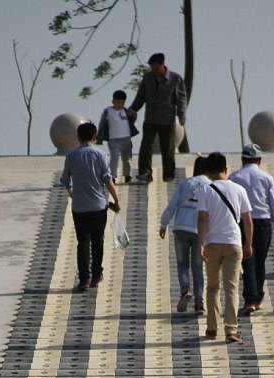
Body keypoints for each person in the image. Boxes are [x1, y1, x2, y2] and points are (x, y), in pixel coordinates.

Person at [197, 152, 253, 343]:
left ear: (208, 171)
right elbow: (247, 219)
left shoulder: (205, 190)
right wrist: (248, 243)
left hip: (212, 243)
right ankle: (231, 330)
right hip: (233, 243)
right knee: (231, 288)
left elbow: (202, 219)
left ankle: (212, 328)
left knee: (212, 286)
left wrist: (201, 244)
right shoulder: (239, 189)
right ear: (225, 168)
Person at [60, 121, 120, 291]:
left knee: (83, 243)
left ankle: (84, 279)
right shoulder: (101, 154)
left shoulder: (71, 156)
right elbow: (107, 179)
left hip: (79, 207)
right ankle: (96, 275)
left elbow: (65, 180)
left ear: (78, 137)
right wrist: (117, 200)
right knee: (97, 241)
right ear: (94, 137)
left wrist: (72, 193)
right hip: (98, 206)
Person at [229, 143, 274, 314]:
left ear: (243, 159)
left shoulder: (234, 177)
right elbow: (273, 202)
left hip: (243, 222)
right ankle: (258, 297)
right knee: (260, 261)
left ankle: (251, 299)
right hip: (263, 222)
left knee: (247, 260)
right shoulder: (266, 177)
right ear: (259, 160)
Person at [127, 52, 187, 183]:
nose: (154, 71)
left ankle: (169, 175)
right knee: (146, 146)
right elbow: (141, 96)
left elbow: (181, 99)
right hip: (150, 119)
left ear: (162, 65)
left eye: (156, 68)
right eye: (152, 68)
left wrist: (182, 114)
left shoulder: (175, 79)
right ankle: (145, 173)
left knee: (168, 150)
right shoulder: (148, 78)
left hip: (167, 120)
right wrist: (133, 108)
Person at [159, 155, 209, 313]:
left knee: (182, 264)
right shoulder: (210, 185)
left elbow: (172, 204)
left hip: (180, 228)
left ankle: (185, 290)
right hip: (198, 231)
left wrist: (163, 223)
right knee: (197, 267)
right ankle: (199, 302)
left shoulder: (185, 183)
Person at [96, 89, 138, 183]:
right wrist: (99, 137)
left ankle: (127, 175)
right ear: (113, 101)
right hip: (113, 140)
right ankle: (112, 176)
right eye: (118, 103)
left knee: (127, 158)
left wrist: (134, 115)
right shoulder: (108, 111)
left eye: (122, 103)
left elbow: (132, 121)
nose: (120, 105)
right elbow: (102, 124)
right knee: (114, 157)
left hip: (126, 139)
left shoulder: (125, 111)